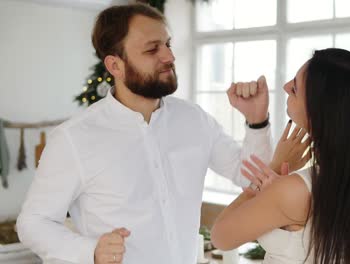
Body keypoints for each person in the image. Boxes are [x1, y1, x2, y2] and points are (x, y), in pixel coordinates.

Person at [17, 3, 275, 264]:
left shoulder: (194, 120)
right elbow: (33, 223)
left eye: (168, 44)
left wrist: (257, 122)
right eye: (152, 49)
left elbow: (253, 179)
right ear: (115, 66)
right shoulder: (73, 138)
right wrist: (90, 250)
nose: (169, 57)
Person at [211, 48, 350, 264]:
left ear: (321, 109)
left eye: (296, 88)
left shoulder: (295, 190)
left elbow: (220, 237)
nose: (285, 86)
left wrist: (276, 164)